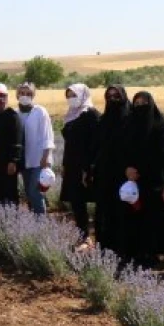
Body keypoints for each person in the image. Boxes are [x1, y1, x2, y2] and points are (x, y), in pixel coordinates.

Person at [118, 91, 164, 268]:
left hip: (153, 180)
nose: (140, 106)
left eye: (144, 102)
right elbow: (122, 151)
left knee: (152, 217)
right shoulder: (128, 124)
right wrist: (127, 168)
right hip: (132, 180)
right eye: (137, 103)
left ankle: (152, 254)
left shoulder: (160, 126)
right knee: (132, 216)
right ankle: (134, 253)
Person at [90, 84, 131, 254]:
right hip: (105, 174)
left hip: (125, 174)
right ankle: (105, 248)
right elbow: (97, 148)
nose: (113, 100)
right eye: (109, 97)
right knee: (105, 212)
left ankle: (124, 249)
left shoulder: (131, 119)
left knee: (124, 212)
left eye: (117, 96)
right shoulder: (103, 120)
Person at [59, 84, 99, 241]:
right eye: (68, 96)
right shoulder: (71, 115)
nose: (71, 99)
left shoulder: (91, 115)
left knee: (94, 200)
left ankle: (98, 236)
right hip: (72, 164)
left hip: (86, 166)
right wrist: (64, 164)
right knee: (77, 201)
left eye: (74, 95)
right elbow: (69, 143)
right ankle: (83, 235)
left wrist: (88, 168)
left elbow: (95, 144)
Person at [15, 83, 55, 214]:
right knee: (28, 193)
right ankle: (34, 223)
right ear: (17, 95)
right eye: (22, 93)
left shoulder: (40, 112)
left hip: (38, 160)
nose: (25, 96)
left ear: (33, 95)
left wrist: (46, 158)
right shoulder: (15, 113)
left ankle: (41, 222)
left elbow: (47, 136)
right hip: (24, 161)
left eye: (28, 94)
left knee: (35, 192)